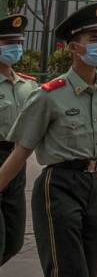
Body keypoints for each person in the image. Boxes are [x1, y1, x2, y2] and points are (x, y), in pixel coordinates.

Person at [0, 2, 97, 277]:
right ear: (74, 47)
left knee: (90, 264)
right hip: (58, 185)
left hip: (92, 185)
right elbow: (20, 151)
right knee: (67, 268)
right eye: (94, 40)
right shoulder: (48, 95)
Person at [0, 14, 37, 266]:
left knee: (13, 241)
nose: (15, 48)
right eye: (7, 43)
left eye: (18, 42)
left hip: (17, 160)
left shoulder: (29, 86)